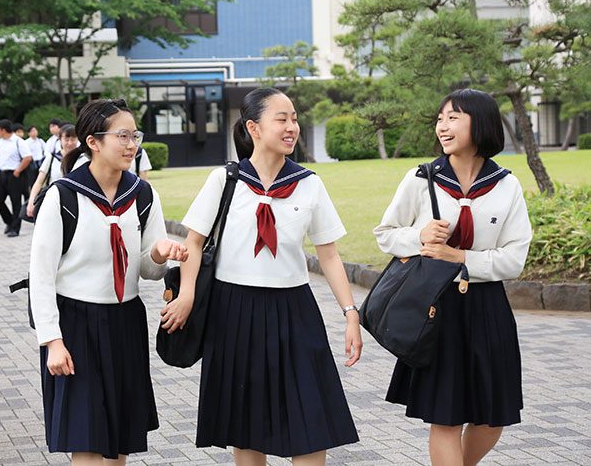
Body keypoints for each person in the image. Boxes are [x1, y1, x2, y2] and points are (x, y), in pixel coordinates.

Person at [163, 87, 362, 465]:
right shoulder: (225, 180)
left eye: (295, 119)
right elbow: (193, 242)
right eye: (281, 119)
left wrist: (350, 313)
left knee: (309, 421)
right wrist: (186, 293)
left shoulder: (309, 183)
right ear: (253, 127)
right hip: (234, 310)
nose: (292, 127)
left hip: (294, 310)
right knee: (246, 426)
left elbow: (330, 255)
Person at [373, 88, 533, 466]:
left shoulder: (506, 185)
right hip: (437, 308)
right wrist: (420, 237)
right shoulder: (420, 178)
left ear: (481, 124)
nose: (443, 126)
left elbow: (514, 259)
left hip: (488, 309)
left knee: (493, 417)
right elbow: (386, 234)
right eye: (441, 118)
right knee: (444, 418)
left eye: (453, 118)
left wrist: (460, 256)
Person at [30, 98, 188, 464]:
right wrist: (52, 341)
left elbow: (147, 271)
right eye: (122, 135)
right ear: (93, 142)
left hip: (124, 322)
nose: (132, 144)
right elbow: (40, 276)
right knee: (85, 438)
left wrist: (161, 253)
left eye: (135, 135)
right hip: (75, 326)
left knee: (118, 438)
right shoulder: (63, 196)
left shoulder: (143, 195)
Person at [0, 120, 31, 237]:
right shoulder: (0, 142)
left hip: (14, 175)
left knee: (16, 202)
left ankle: (15, 229)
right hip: (1, 175)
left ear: (3, 130)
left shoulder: (18, 142)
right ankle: (10, 221)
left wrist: (18, 170)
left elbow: (27, 158)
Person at [25, 124, 78, 219]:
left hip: (77, 204)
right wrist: (31, 202)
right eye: (66, 139)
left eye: (73, 139)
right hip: (53, 202)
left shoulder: (83, 159)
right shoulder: (52, 158)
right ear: (60, 140)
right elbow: (39, 182)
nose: (70, 143)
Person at [25, 125, 46, 191]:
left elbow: (45, 150)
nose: (34, 132)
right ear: (29, 133)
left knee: (41, 179)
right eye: (32, 131)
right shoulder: (26, 142)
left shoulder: (40, 141)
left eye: (35, 130)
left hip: (40, 162)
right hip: (31, 163)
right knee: (32, 180)